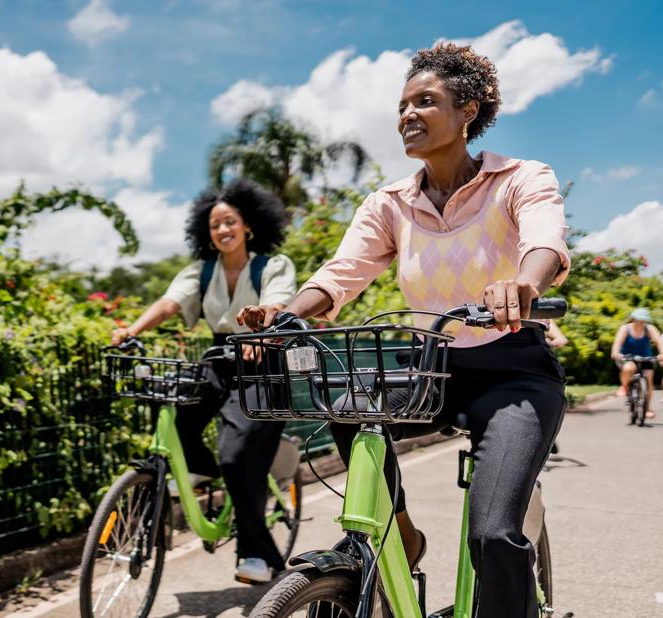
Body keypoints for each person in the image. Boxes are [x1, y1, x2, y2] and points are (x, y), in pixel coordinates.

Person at [238, 43, 570, 616]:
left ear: (468, 110)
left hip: (513, 370)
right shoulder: (390, 203)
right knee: (345, 398)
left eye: (426, 101)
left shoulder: (520, 177)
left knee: (493, 535)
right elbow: (344, 273)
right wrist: (287, 312)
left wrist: (523, 285)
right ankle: (401, 533)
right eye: (402, 106)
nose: (407, 115)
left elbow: (545, 241)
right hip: (432, 368)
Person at [111, 179, 296, 583]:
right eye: (215, 225)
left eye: (230, 221)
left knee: (236, 456)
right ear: (205, 232)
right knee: (178, 419)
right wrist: (132, 331)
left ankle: (257, 554)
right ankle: (207, 474)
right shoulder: (202, 271)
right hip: (219, 357)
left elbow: (279, 303)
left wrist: (261, 325)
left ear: (248, 225)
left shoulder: (273, 265)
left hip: (262, 357)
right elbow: (169, 302)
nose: (223, 230)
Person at [610, 307, 663, 418]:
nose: (641, 322)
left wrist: (661, 354)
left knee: (649, 379)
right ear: (633, 319)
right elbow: (617, 345)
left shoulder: (649, 329)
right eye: (639, 320)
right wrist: (616, 353)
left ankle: (647, 408)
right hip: (627, 357)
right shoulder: (625, 329)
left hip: (645, 358)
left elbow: (659, 342)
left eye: (644, 320)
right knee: (629, 368)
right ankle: (624, 386)